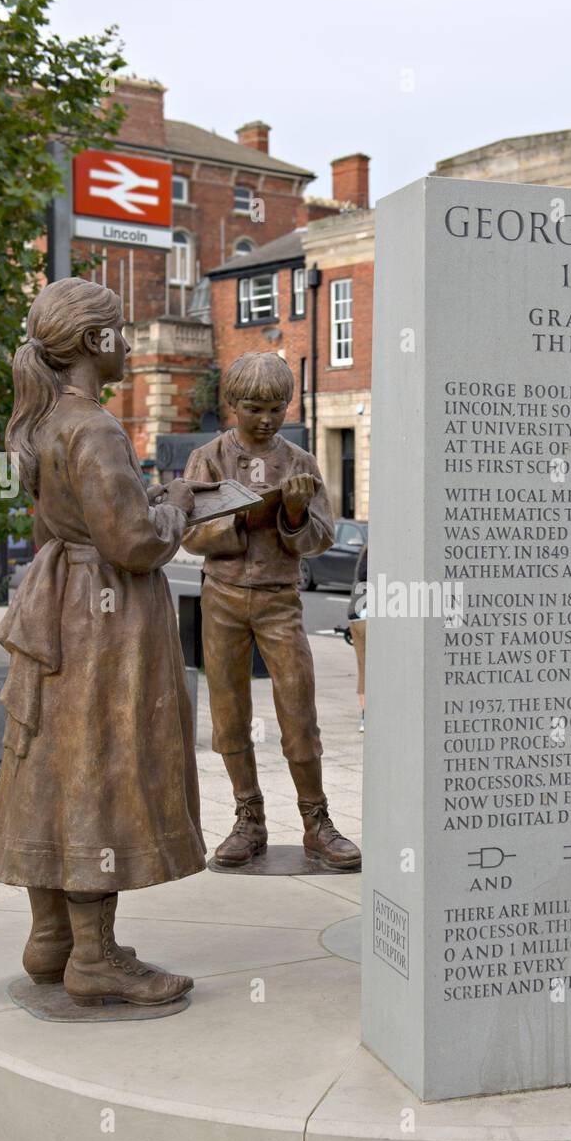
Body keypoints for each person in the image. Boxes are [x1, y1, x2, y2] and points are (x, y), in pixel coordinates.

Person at [0, 277, 212, 1008]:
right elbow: (134, 544)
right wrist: (173, 506)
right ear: (93, 343)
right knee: (102, 763)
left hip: (59, 603)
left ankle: (51, 940)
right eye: (121, 329)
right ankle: (96, 958)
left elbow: (65, 527)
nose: (129, 340)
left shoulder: (46, 423)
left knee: (52, 761)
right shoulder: (96, 427)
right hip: (106, 620)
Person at [182, 352, 361, 871]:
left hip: (280, 600)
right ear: (232, 404)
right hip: (223, 597)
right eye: (254, 408)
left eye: (276, 409)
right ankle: (248, 818)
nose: (265, 419)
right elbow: (190, 532)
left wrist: (294, 512)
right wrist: (240, 516)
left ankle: (316, 821)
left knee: (298, 710)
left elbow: (321, 537)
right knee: (229, 712)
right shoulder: (208, 458)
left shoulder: (301, 461)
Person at [348, 541, 368, 732]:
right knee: (370, 667)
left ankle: (365, 715)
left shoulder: (368, 546)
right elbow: (364, 575)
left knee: (364, 666)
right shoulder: (377, 545)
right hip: (366, 614)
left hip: (357, 613)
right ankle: (366, 715)